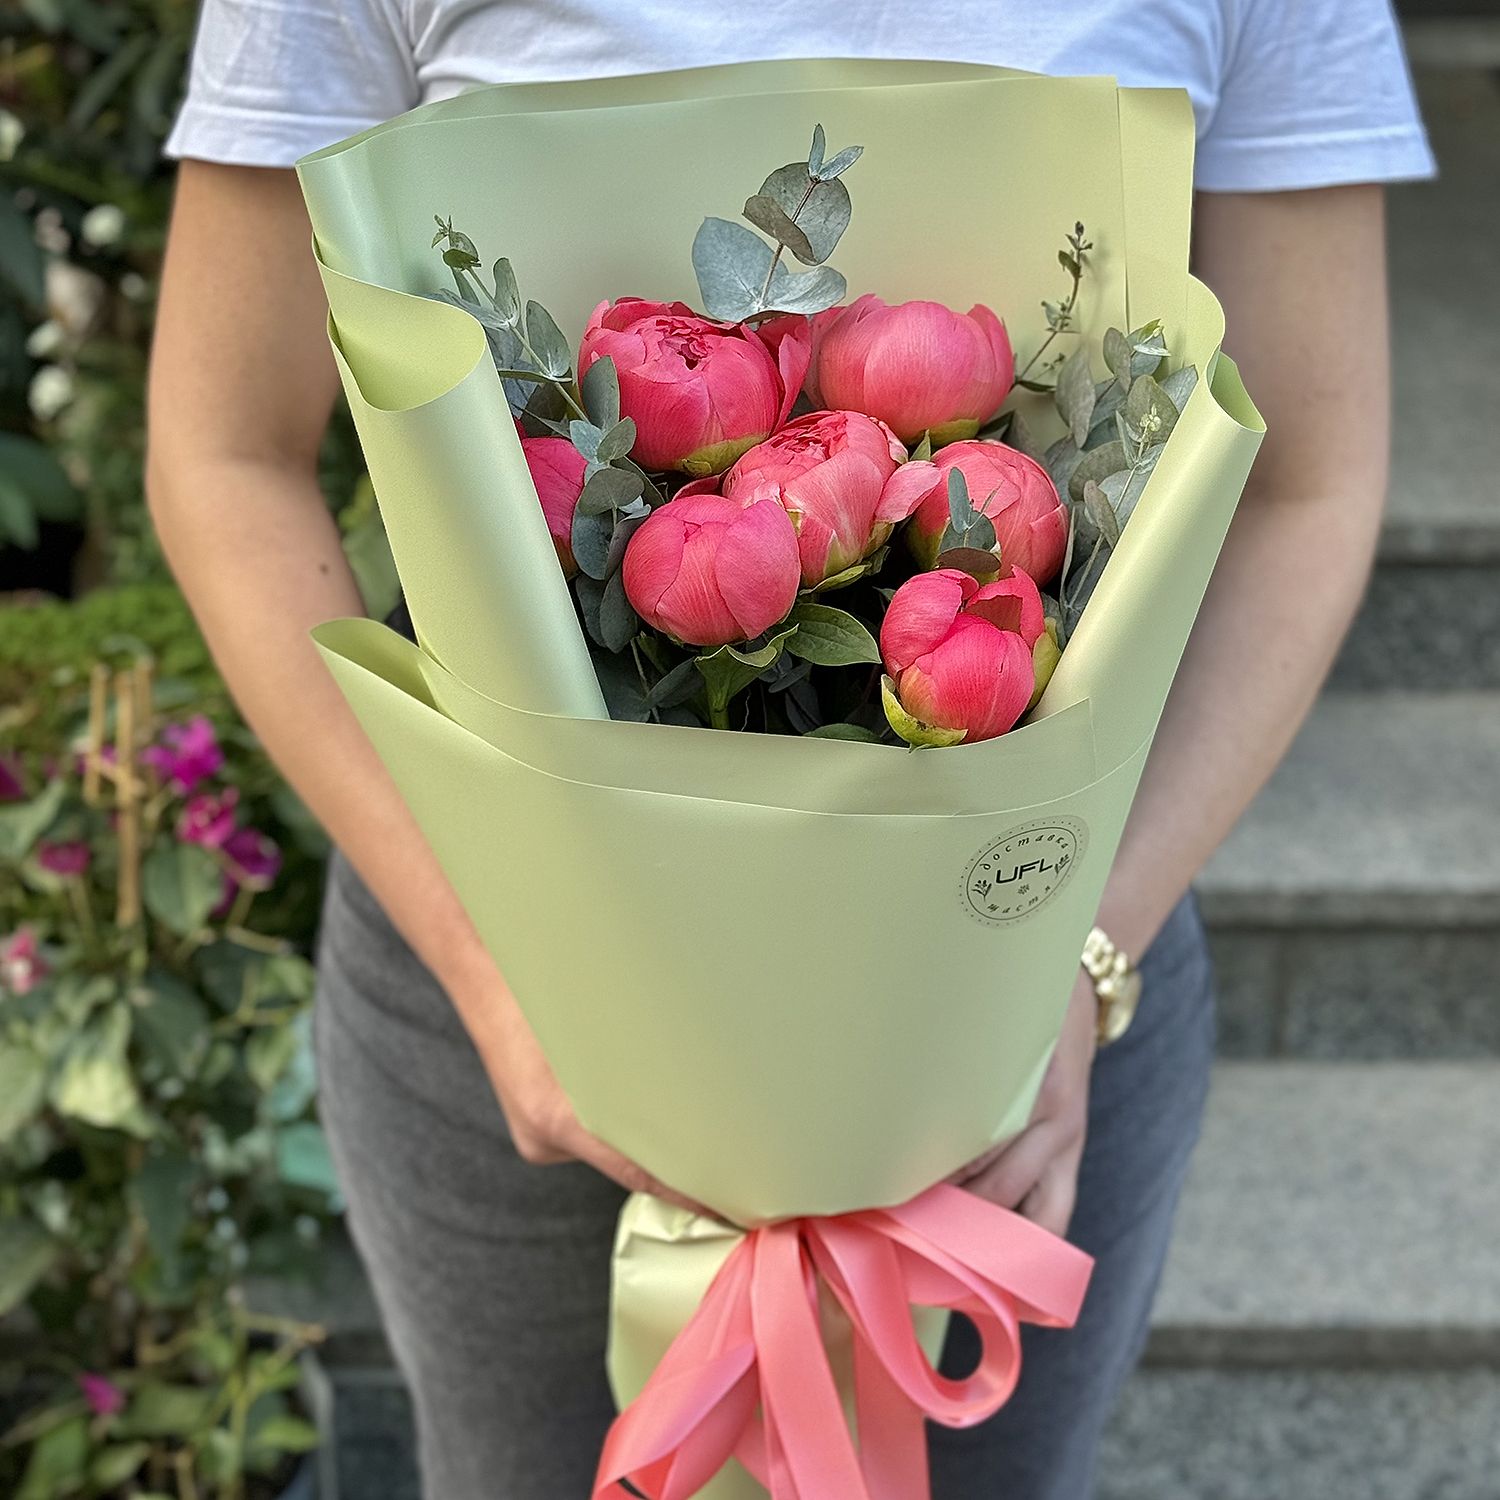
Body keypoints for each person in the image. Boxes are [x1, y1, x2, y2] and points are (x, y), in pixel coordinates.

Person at [148, 3, 1433, 1496]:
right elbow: (225, 451)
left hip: (1033, 992)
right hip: (499, 983)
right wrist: (499, 976)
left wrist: (1078, 961)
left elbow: (1307, 486)